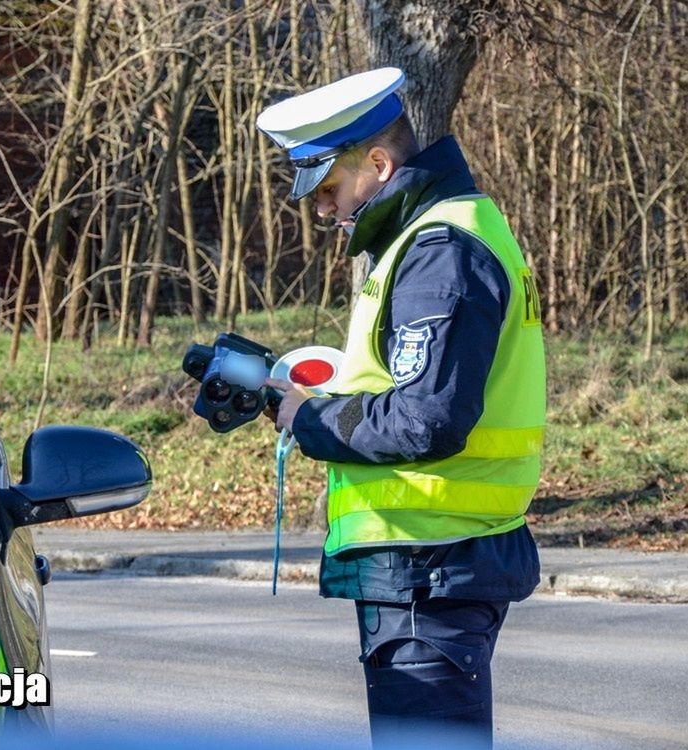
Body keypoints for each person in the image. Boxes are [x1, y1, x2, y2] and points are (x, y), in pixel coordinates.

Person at [256, 67, 546, 749]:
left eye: (327, 188)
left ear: (379, 164)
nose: (322, 210)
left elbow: (425, 417)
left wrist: (307, 419)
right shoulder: (437, 236)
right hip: (433, 559)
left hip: (429, 563)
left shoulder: (438, 249)